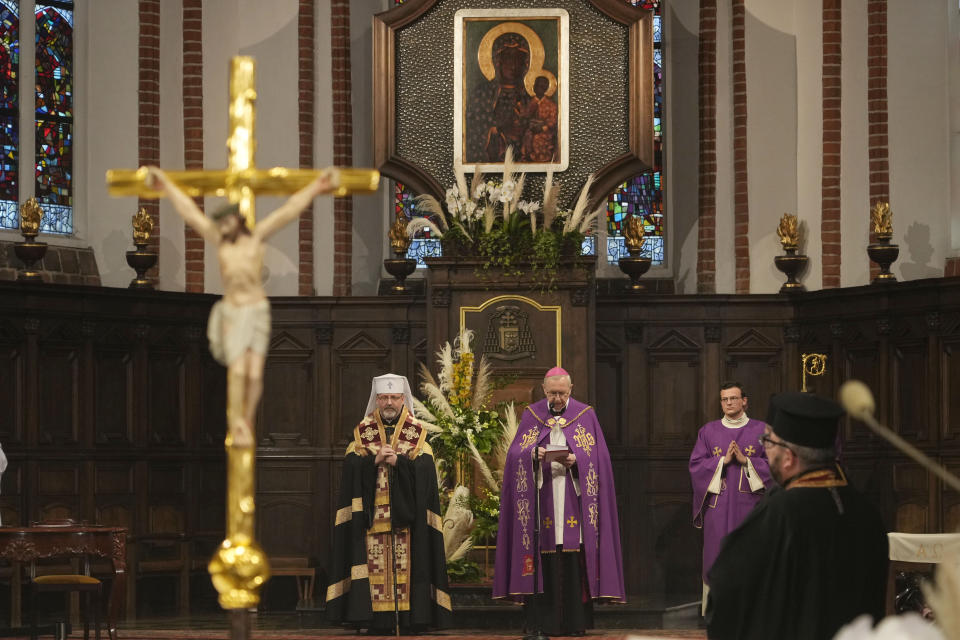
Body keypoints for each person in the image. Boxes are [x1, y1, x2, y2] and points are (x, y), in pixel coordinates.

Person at [144, 166, 333, 448]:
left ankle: (246, 420)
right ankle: (237, 425)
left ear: (236, 218)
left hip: (256, 310)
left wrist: (316, 187)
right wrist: (168, 185)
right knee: (238, 371)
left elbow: (289, 210)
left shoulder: (256, 238)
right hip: (234, 311)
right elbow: (190, 213)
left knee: (254, 373)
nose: (221, 227)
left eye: (225, 222)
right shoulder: (220, 241)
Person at [705, 391, 888, 640]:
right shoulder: (867, 511)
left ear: (789, 458)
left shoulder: (779, 512)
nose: (765, 450)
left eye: (768, 441)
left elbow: (727, 590)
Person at [493, 367, 625, 637]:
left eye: (562, 393)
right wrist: (533, 454)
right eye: (552, 393)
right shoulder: (532, 416)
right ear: (544, 390)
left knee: (572, 560)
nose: (557, 399)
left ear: (571, 389)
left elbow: (600, 459)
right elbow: (515, 454)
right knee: (544, 559)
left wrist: (579, 461)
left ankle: (575, 624)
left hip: (573, 499)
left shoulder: (585, 415)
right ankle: (542, 623)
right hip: (543, 500)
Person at [325, 373, 451, 634]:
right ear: (377, 400)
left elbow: (426, 471)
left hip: (407, 522)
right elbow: (350, 468)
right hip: (371, 520)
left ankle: (409, 620)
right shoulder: (363, 433)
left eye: (394, 397)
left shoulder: (416, 433)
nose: (390, 402)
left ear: (403, 399)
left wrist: (400, 463)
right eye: (384, 398)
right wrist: (372, 461)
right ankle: (369, 618)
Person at [689, 381, 770, 611]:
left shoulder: (763, 430)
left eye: (733, 398)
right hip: (719, 507)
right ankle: (718, 611)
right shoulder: (708, 431)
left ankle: (754, 610)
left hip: (752, 508)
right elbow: (696, 466)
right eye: (724, 399)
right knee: (717, 555)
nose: (728, 403)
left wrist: (747, 461)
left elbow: (777, 465)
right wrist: (722, 462)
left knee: (751, 556)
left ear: (745, 401)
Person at [467, 32, 532, 163]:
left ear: (525, 64)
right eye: (508, 58)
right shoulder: (482, 94)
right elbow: (473, 131)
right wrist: (499, 130)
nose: (513, 65)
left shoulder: (528, 98)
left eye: (518, 59)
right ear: (497, 61)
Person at [521, 75, 558, 163]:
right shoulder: (530, 103)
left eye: (541, 86)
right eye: (536, 85)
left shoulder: (551, 104)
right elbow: (524, 116)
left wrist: (542, 128)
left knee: (538, 139)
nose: (538, 88)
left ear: (545, 88)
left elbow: (553, 120)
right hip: (530, 130)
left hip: (545, 133)